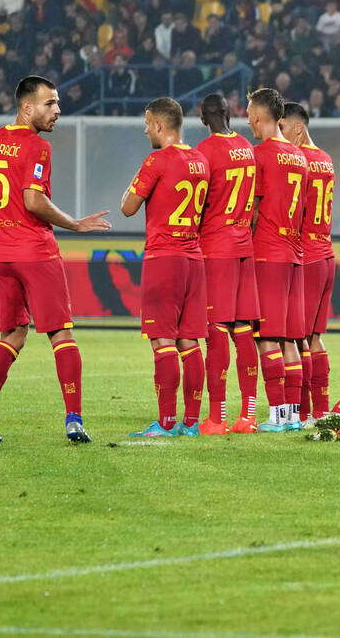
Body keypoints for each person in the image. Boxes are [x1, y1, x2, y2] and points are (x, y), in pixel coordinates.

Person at [0, 76, 111, 444]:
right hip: (33, 250)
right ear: (27, 107)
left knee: (12, 334)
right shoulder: (36, 147)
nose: (58, 111)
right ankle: (74, 419)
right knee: (61, 332)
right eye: (50, 104)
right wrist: (75, 224)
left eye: (57, 103)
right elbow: (33, 200)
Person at [121, 98, 210, 437]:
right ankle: (191, 422)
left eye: (147, 123)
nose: (145, 129)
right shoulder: (201, 160)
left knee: (162, 341)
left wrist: (141, 172)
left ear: (159, 124)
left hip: (164, 257)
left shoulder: (156, 160)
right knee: (190, 342)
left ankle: (166, 422)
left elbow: (128, 207)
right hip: (194, 258)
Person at [194, 93, 260, 435]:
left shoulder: (204, 151)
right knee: (244, 330)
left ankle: (217, 417)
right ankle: (248, 415)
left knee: (216, 331)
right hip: (243, 247)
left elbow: (199, 203)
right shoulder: (247, 147)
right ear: (230, 113)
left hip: (216, 248)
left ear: (204, 117)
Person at [247, 88, 309, 433]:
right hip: (295, 254)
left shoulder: (260, 155)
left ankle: (277, 415)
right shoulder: (298, 156)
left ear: (258, 117)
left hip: (268, 254)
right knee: (289, 338)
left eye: (248, 116)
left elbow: (253, 209)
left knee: (266, 336)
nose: (248, 122)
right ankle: (294, 414)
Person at [279, 102, 335, 425]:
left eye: (284, 128)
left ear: (298, 127)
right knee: (313, 337)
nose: (282, 136)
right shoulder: (326, 160)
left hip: (307, 255)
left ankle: (300, 412)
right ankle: (319, 409)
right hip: (327, 252)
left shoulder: (300, 161)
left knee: (296, 337)